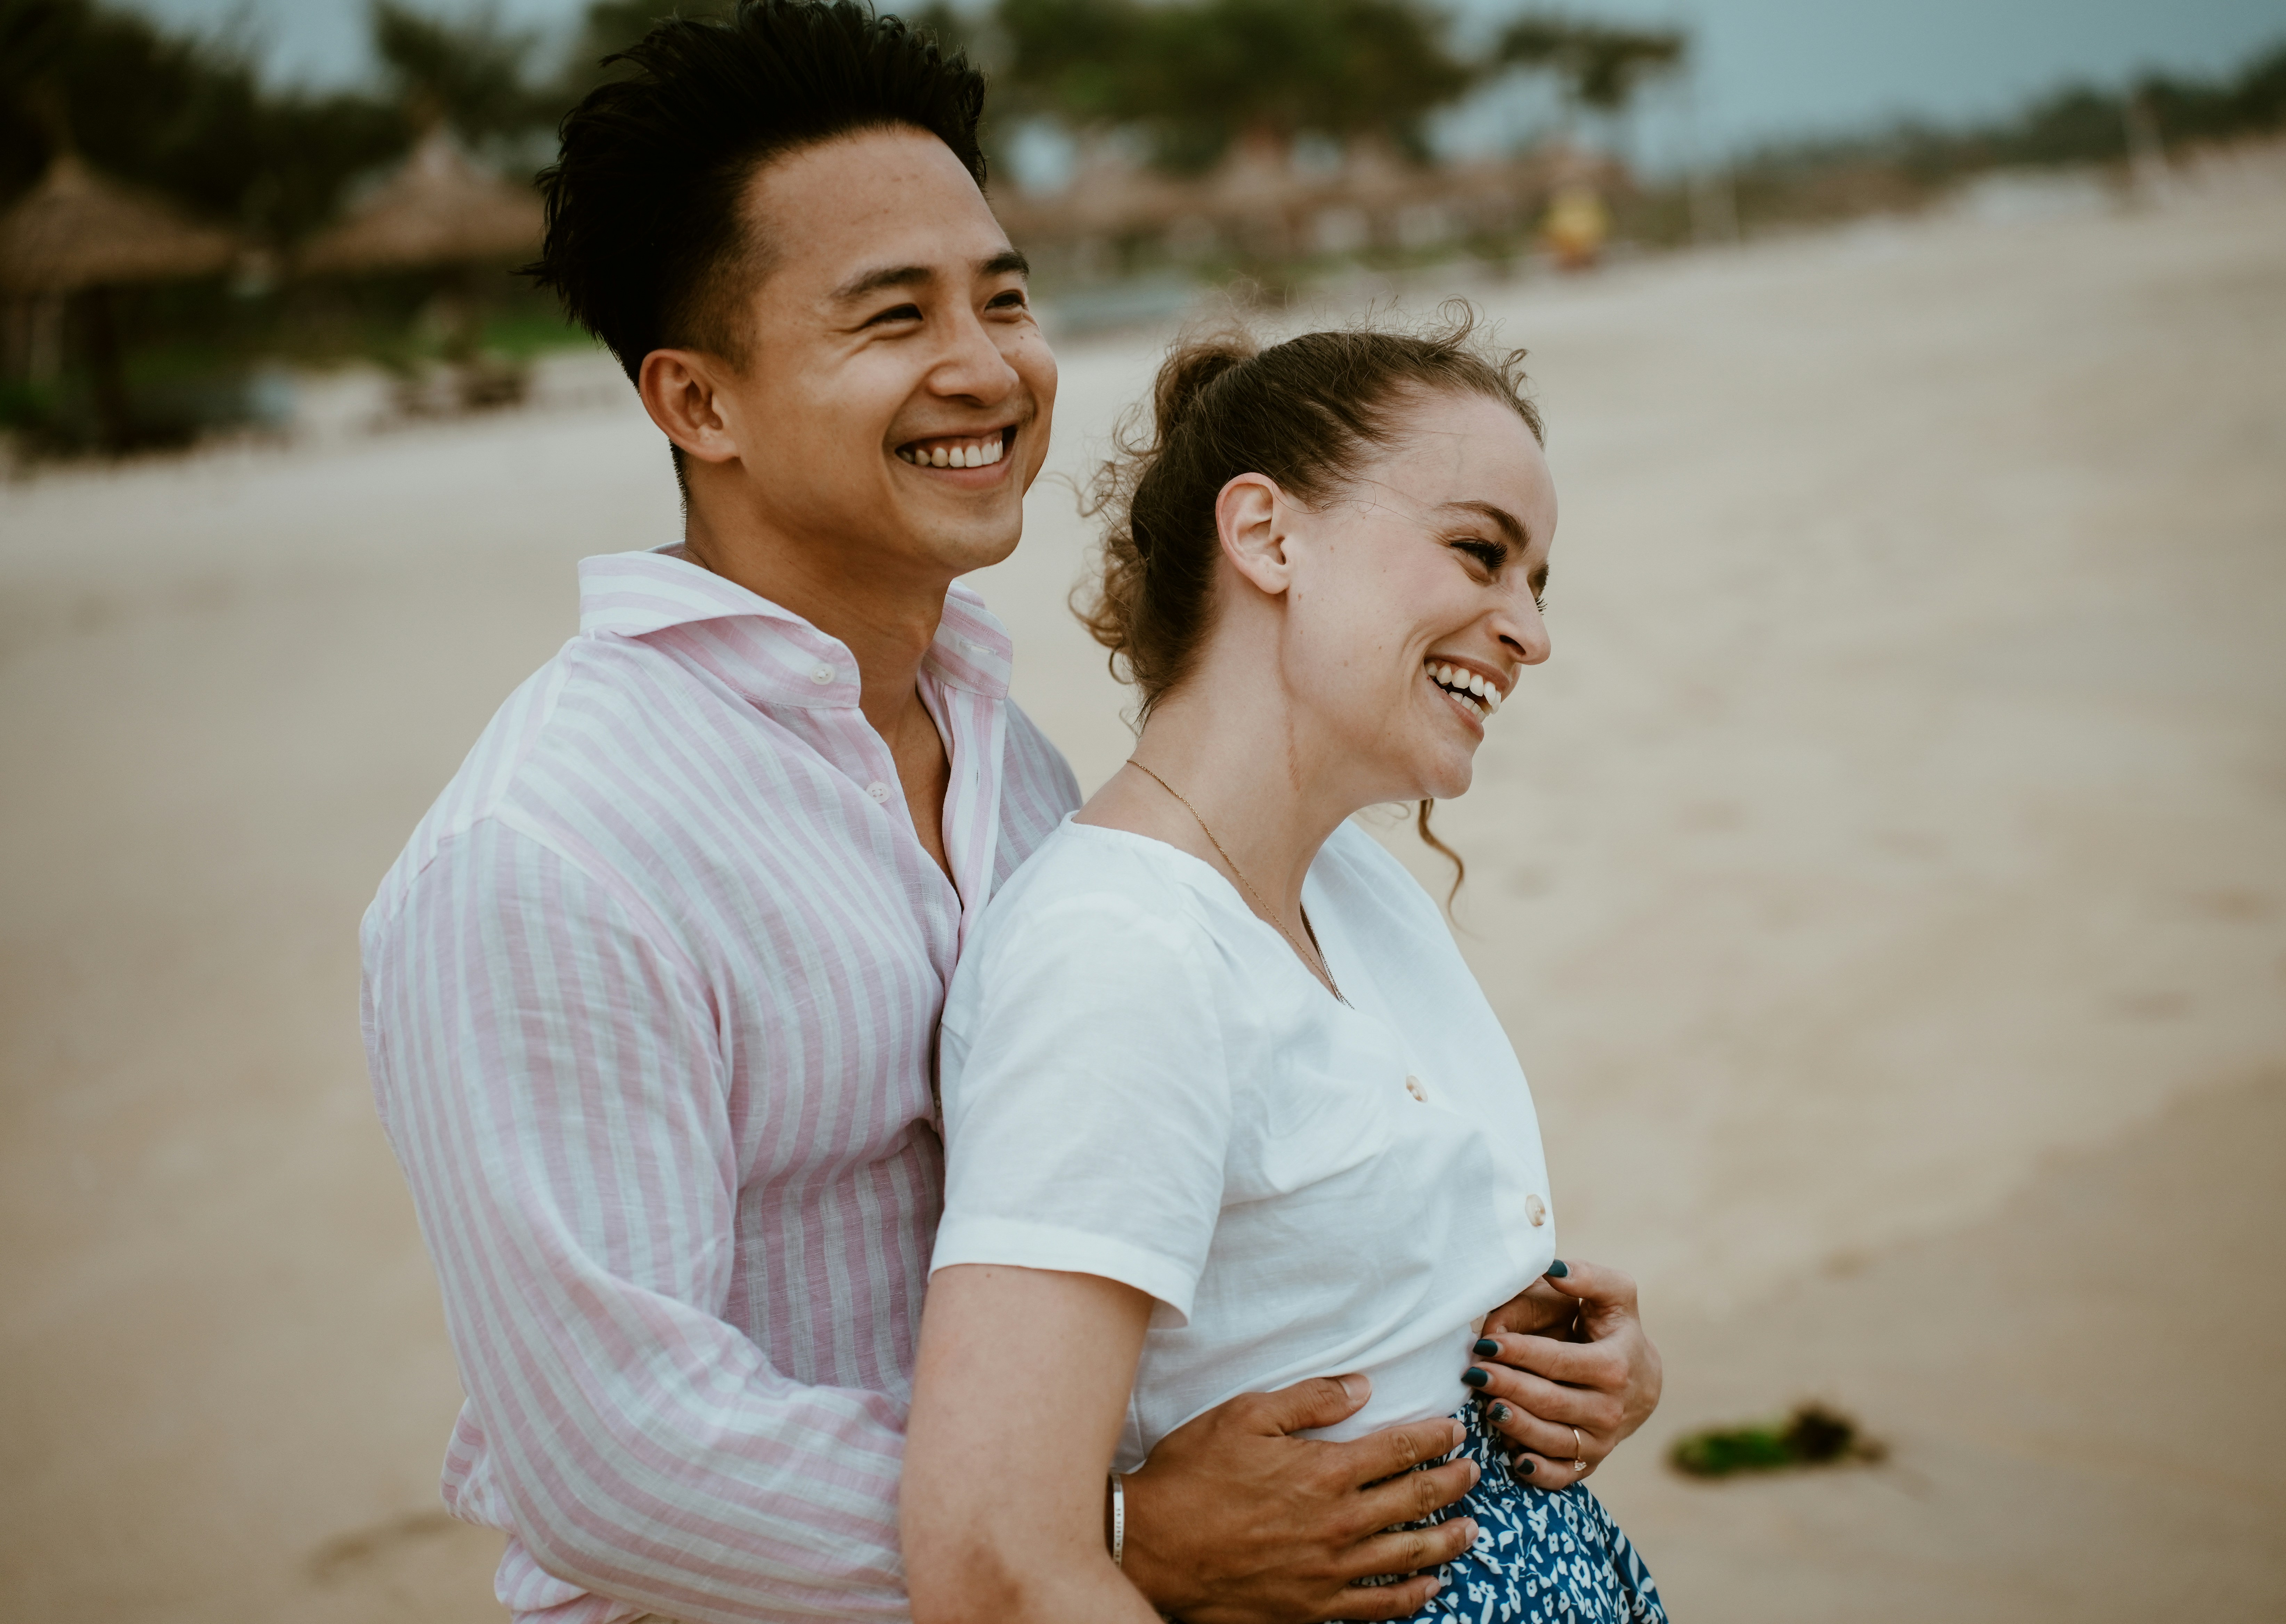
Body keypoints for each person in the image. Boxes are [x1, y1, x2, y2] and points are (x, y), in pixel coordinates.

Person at [359, 5, 1661, 1622]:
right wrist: (1099, 1531)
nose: (986, 367)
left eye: (1007, 296)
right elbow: (610, 1456)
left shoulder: (1007, 754)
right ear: (698, 403)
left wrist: (1484, 1332)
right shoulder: (548, 852)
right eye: (892, 317)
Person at [903, 319, 1667, 1623]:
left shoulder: (1348, 883)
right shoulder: (1118, 953)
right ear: (1265, 536)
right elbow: (997, 1563)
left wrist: (1569, 1368)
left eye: (1540, 583)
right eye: (1481, 554)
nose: (1530, 633)